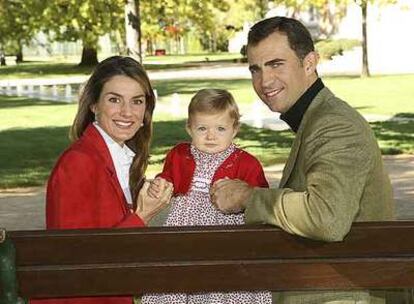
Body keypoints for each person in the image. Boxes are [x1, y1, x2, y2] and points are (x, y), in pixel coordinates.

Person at [210, 17, 394, 303]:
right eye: (255, 69)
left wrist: (249, 197)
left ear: (309, 63)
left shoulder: (335, 125)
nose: (264, 81)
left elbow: (326, 218)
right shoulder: (316, 119)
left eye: (276, 64)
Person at [31, 56, 172, 304]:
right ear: (94, 105)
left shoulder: (113, 157)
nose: (127, 112)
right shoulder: (78, 163)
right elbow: (77, 256)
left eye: (137, 101)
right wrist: (142, 216)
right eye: (114, 99)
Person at [141, 88, 271, 304]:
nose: (211, 136)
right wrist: (161, 184)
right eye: (202, 128)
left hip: (225, 233)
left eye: (221, 128)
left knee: (219, 281)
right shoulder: (179, 154)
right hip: (183, 229)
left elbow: (260, 198)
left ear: (235, 129)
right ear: (189, 128)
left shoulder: (246, 162)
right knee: (179, 276)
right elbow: (167, 178)